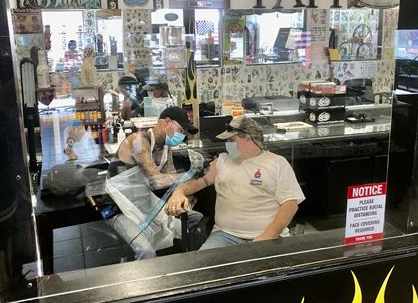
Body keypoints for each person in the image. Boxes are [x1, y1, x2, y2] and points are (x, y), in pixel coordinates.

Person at [165, 117, 305, 249]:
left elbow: (290, 205)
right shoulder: (221, 161)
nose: (228, 144)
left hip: (268, 235)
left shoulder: (277, 163)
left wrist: (268, 235)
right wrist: (179, 191)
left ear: (249, 138)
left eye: (232, 140)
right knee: (203, 264)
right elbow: (199, 182)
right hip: (225, 235)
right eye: (227, 141)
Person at [105, 107, 202, 259]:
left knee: (195, 218)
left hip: (142, 201)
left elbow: (171, 180)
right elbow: (157, 181)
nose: (182, 136)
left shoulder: (166, 147)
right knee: (146, 251)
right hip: (117, 207)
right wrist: (190, 174)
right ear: (167, 122)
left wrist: (183, 194)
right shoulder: (138, 141)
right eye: (181, 130)